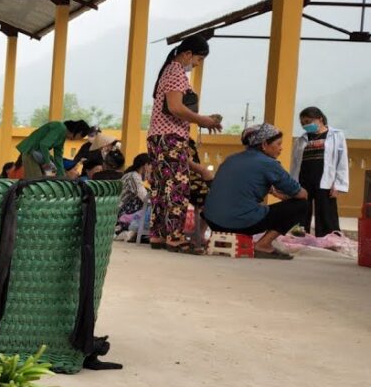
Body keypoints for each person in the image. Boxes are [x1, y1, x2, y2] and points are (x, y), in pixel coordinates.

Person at [146, 35, 223, 253]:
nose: (197, 64)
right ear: (188, 54)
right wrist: (203, 120)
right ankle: (175, 237)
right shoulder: (176, 72)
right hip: (170, 136)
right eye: (198, 59)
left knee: (162, 188)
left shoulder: (168, 71)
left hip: (158, 136)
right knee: (178, 187)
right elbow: (176, 108)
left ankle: (158, 235)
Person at [203, 124, 308, 259]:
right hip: (240, 224)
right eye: (278, 144)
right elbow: (301, 194)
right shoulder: (269, 164)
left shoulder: (231, 159)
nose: (281, 148)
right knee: (301, 205)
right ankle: (263, 245)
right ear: (264, 145)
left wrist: (274, 192)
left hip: (213, 221)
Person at [289, 106, 349, 237]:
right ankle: (299, 237)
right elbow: (294, 164)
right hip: (303, 180)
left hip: (325, 180)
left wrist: (338, 184)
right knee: (301, 211)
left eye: (308, 121)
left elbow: (342, 162)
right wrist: (292, 185)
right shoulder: (300, 140)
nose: (306, 125)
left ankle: (329, 240)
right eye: (303, 123)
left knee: (326, 213)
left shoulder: (336, 135)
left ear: (320, 119)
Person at [15, 120, 94, 179]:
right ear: (79, 132)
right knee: (36, 182)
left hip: (39, 156)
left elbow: (58, 157)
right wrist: (48, 163)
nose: (78, 139)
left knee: (50, 176)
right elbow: (44, 145)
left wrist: (62, 176)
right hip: (30, 154)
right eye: (81, 137)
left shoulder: (62, 135)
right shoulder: (60, 128)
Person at [116, 153, 151, 237]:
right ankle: (124, 224)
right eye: (151, 166)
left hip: (121, 208)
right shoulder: (133, 176)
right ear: (146, 165)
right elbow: (145, 198)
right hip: (119, 211)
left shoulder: (133, 175)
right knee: (148, 205)